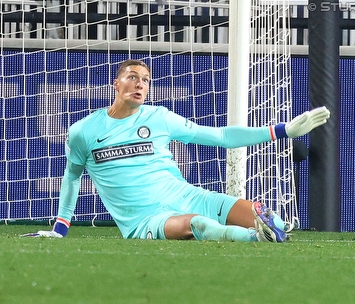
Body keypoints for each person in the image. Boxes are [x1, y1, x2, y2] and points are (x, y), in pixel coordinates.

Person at [25, 59, 331, 241]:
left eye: (145, 79)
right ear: (115, 84)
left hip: (185, 195)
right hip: (144, 220)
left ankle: (265, 229)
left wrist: (283, 131)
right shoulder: (84, 131)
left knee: (269, 219)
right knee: (197, 224)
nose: (140, 84)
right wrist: (61, 227)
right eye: (132, 77)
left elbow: (221, 136)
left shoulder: (160, 117)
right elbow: (72, 176)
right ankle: (254, 238)